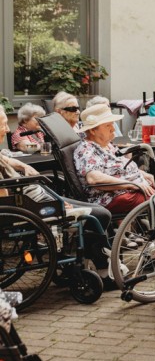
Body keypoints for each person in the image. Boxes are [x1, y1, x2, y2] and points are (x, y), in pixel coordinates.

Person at [0, 108, 114, 288]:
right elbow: (4, 197)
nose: (7, 129)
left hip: (38, 200)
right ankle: (100, 270)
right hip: (33, 207)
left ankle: (81, 264)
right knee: (99, 216)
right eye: (4, 124)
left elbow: (5, 160)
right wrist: (53, 205)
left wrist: (22, 166)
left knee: (100, 213)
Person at [74, 104, 155, 214]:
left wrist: (146, 175)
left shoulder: (107, 145)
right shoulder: (86, 150)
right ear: (93, 131)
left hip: (132, 189)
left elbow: (120, 169)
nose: (113, 128)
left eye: (112, 123)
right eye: (108, 125)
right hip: (112, 197)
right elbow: (94, 179)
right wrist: (132, 184)